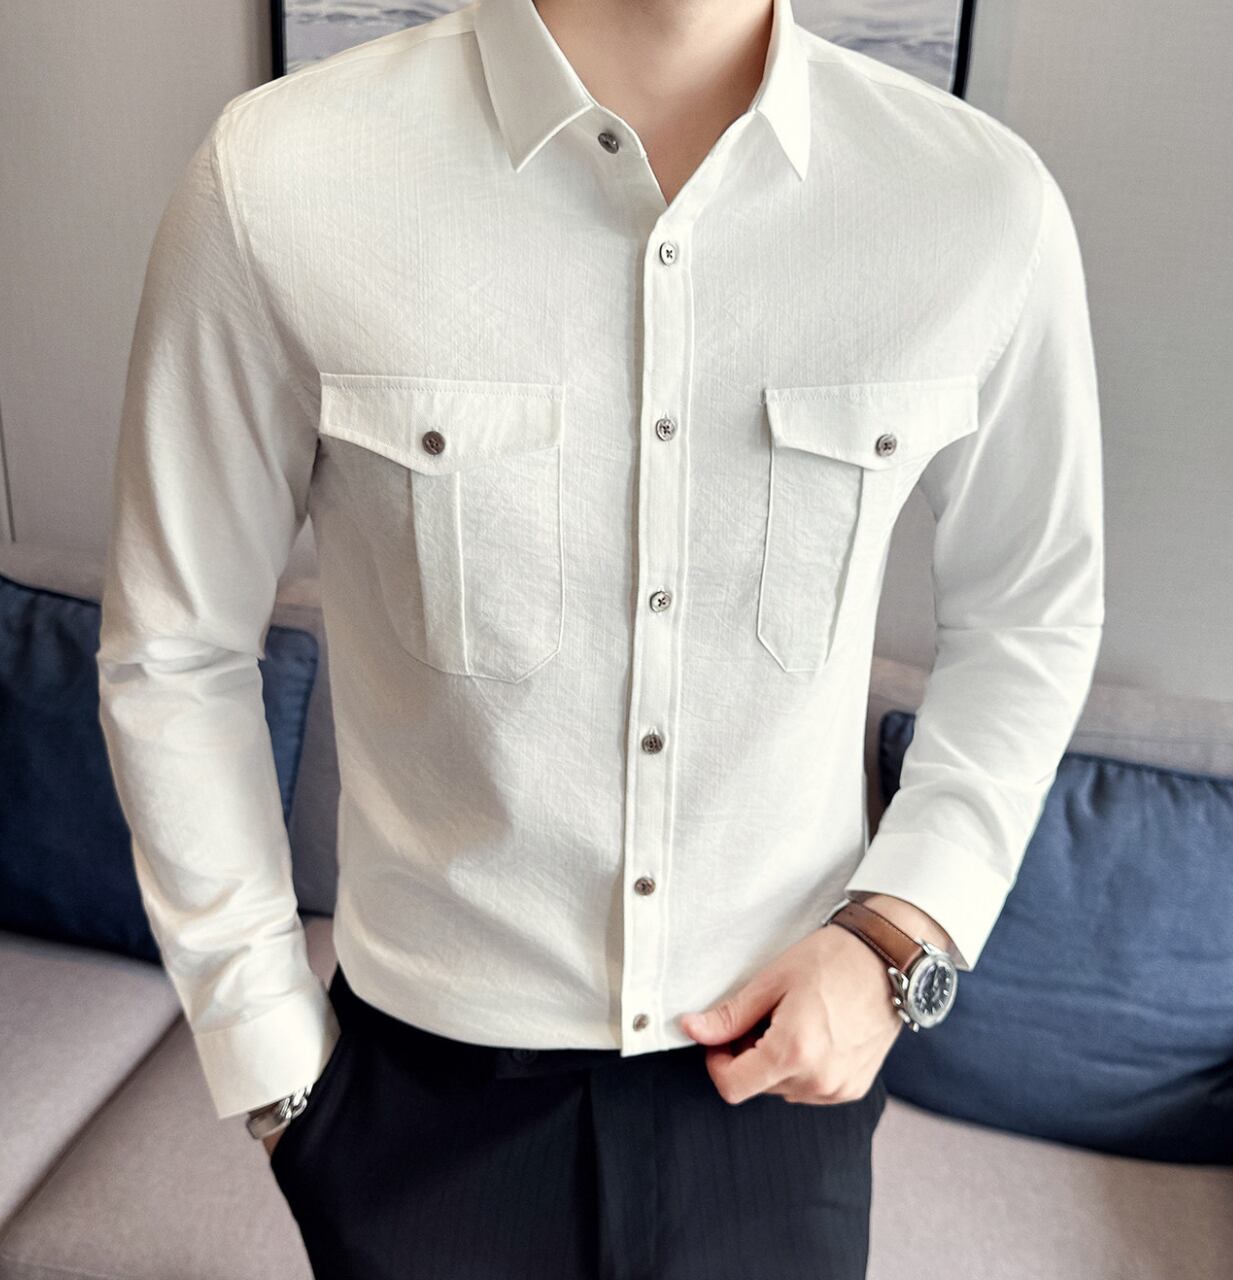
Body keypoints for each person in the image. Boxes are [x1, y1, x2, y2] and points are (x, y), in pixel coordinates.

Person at [95, 0, 1105, 1274]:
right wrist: (275, 1071)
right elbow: (173, 646)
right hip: (417, 1105)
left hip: (779, 1086)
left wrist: (903, 931)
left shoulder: (976, 206)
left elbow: (1029, 612)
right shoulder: (279, 179)